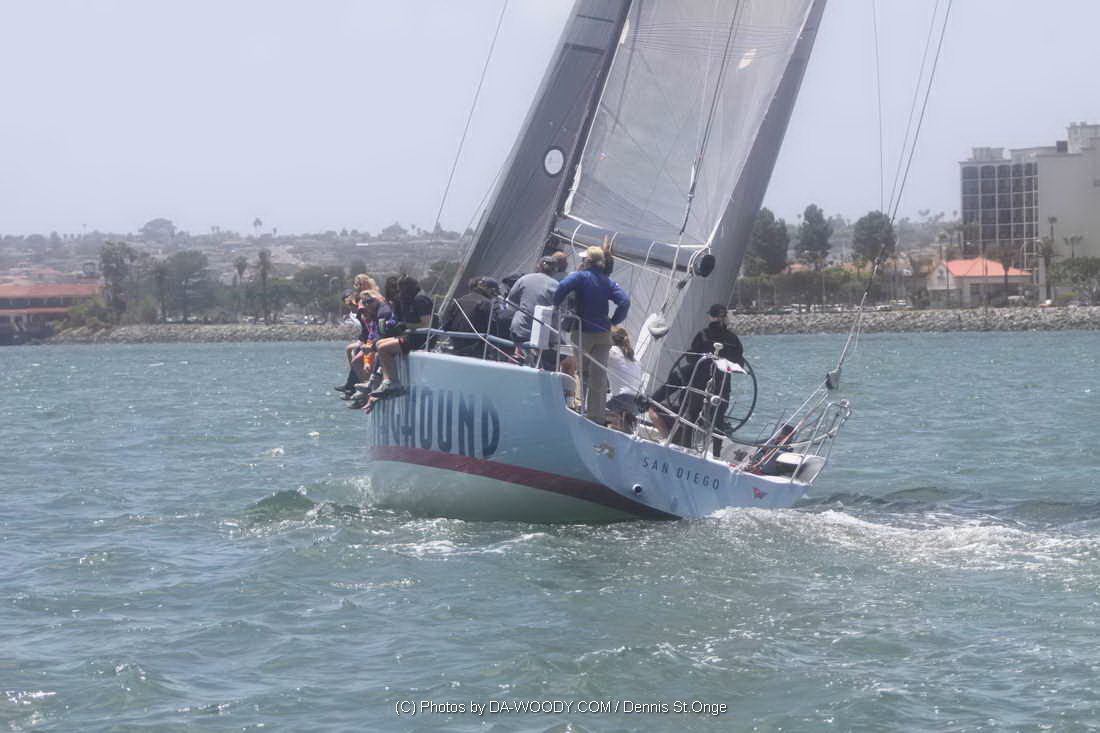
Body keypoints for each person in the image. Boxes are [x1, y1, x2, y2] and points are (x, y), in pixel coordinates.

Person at [648, 303, 744, 452]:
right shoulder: (733, 339)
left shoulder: (703, 335)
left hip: (698, 385)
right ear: (725, 317)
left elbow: (691, 358)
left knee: (690, 417)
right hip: (721, 388)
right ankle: (716, 455)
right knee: (718, 421)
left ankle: (686, 450)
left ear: (710, 317)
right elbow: (739, 364)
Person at [553, 246, 629, 424]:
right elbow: (625, 302)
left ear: (588, 261)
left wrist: (555, 305)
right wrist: (614, 321)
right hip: (603, 334)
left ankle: (579, 407)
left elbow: (562, 286)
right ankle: (596, 416)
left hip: (583, 332)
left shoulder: (580, 276)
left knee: (582, 371)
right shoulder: (608, 281)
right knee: (599, 376)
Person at [370, 276, 435, 398]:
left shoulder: (420, 300)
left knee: (384, 348)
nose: (400, 292)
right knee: (379, 344)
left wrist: (405, 326)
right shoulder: (408, 301)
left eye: (403, 289)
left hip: (422, 338)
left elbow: (427, 324)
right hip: (413, 335)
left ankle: (394, 383)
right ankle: (386, 381)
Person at [507, 256, 560, 367]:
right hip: (544, 335)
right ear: (555, 270)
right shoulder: (557, 286)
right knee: (565, 360)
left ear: (538, 266)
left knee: (522, 348)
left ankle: (519, 357)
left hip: (519, 330)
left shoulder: (524, 279)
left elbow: (511, 302)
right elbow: (561, 311)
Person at [605, 326, 643, 431]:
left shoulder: (611, 351)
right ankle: (622, 423)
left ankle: (616, 420)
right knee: (622, 425)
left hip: (621, 400)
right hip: (637, 403)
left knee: (593, 411)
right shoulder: (635, 358)